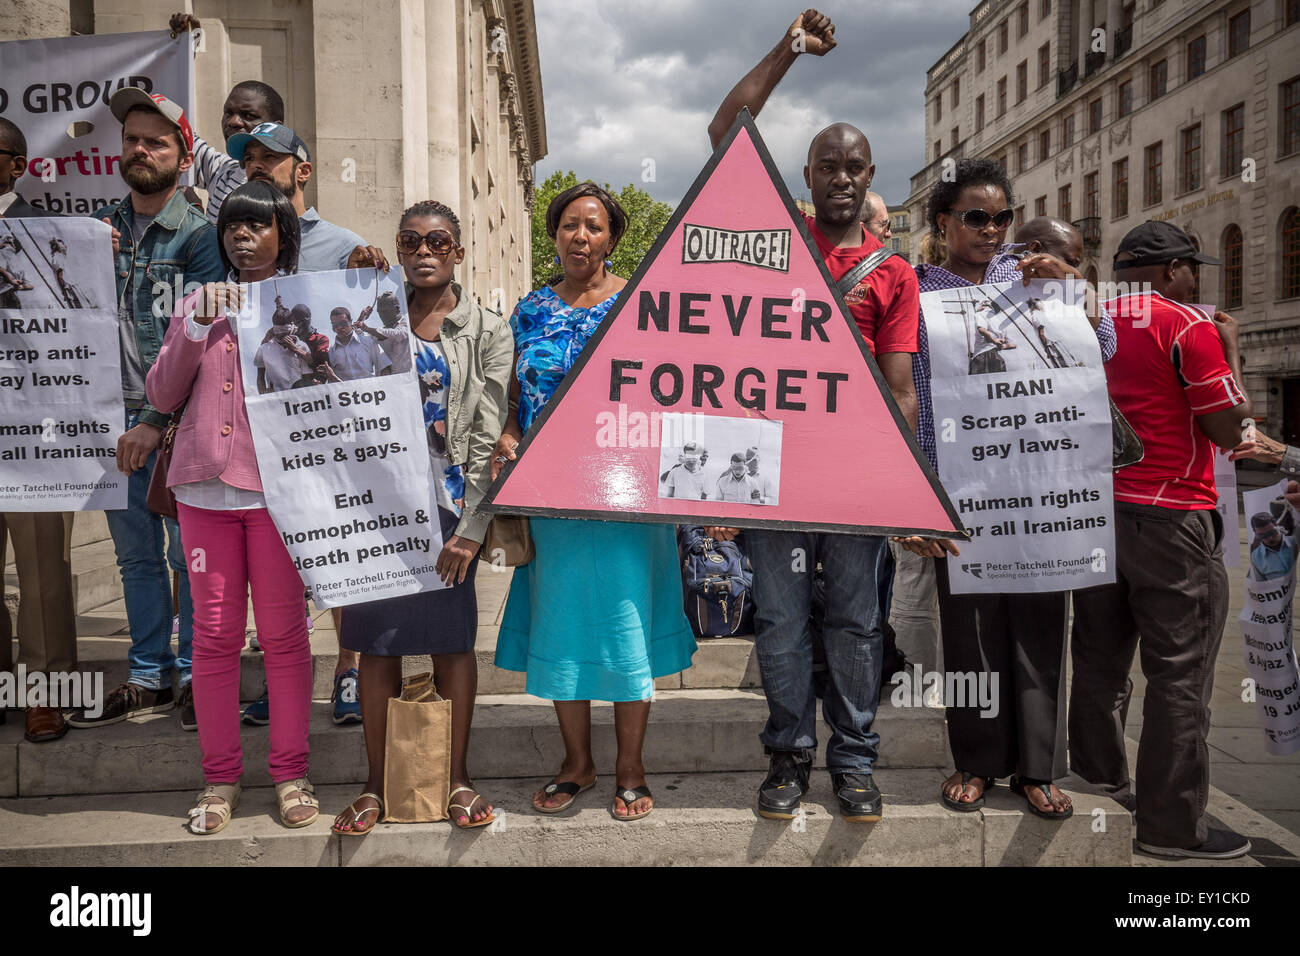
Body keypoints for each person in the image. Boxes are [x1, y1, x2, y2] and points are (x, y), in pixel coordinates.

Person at [705, 7, 921, 822]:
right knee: (784, 627)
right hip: (772, 476)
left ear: (870, 178)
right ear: (804, 174)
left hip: (858, 478)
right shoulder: (771, 240)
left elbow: (900, 387)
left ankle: (855, 760)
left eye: (854, 166)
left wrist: (903, 486)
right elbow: (728, 127)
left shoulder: (892, 273)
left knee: (857, 625)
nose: (841, 176)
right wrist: (791, 48)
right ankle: (789, 755)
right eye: (826, 163)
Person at [895, 159, 1116, 821]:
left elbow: (1099, 350)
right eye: (975, 217)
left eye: (1001, 218)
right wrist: (918, 489)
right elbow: (905, 388)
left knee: (1043, 624)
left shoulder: (1034, 277)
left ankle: (1039, 771)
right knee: (971, 634)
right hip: (960, 488)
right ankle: (976, 763)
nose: (991, 230)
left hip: (1041, 487)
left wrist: (1079, 291)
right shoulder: (916, 288)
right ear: (943, 222)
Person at [491, 182, 697, 822]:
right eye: (569, 226)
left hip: (626, 499)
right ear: (552, 235)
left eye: (594, 227)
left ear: (613, 237)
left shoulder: (645, 304)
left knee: (625, 625)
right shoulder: (528, 310)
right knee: (564, 624)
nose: (580, 237)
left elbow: (677, 389)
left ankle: (631, 766)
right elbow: (514, 400)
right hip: (554, 502)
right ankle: (577, 763)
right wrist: (507, 435)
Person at [1070, 219, 1253, 859]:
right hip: (1172, 518)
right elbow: (1231, 432)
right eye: (1192, 267)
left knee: (1097, 660)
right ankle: (1172, 828)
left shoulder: (1091, 321)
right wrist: (1230, 353)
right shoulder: (1188, 325)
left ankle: (1096, 784)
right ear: (1174, 269)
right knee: (1179, 677)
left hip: (1097, 514)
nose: (1195, 278)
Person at [332, 199, 512, 834]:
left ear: (458, 251)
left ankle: (456, 777)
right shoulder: (370, 309)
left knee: (450, 645)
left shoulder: (488, 329)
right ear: (400, 249)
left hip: (446, 510)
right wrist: (349, 279)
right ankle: (375, 785)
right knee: (376, 647)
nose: (424, 251)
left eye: (438, 241)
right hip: (377, 509)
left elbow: (490, 435)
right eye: (410, 241)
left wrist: (470, 530)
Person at [146, 179, 317, 834]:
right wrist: (193, 324)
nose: (242, 235)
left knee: (283, 635)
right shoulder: (197, 302)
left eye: (258, 224)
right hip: (203, 492)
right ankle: (219, 779)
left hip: (278, 496)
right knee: (213, 636)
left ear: (283, 235)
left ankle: (290, 771)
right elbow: (162, 392)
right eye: (233, 226)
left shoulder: (304, 301)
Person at [68, 89, 223, 732]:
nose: (140, 149)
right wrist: (81, 259)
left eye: (157, 140)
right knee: (134, 557)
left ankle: (193, 675)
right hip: (108, 422)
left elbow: (207, 340)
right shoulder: (93, 232)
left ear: (183, 157)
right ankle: (147, 673)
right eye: (132, 138)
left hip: (178, 426)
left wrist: (154, 422)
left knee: (193, 554)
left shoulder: (203, 237)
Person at [226, 119, 384, 720]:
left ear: (303, 171)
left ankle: (348, 671)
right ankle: (280, 676)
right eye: (249, 160)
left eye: (271, 158)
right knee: (278, 566)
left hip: (331, 433)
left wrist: (369, 263)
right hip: (262, 435)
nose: (258, 166)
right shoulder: (234, 239)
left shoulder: (340, 243)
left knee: (339, 552)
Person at [0, 117, 78, 743]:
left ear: (16, 166)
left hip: (34, 427)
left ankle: (45, 690)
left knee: (41, 567)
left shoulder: (50, 236)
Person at [168, 13, 286, 224]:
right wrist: (184, 52)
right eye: (228, 113)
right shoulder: (224, 170)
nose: (233, 122)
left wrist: (197, 220)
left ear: (276, 128)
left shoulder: (286, 184)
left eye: (249, 115)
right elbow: (176, 128)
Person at [354, 291, 413, 374]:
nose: (382, 315)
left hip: (406, 379)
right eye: (379, 312)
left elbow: (395, 334)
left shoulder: (408, 322)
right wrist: (361, 318)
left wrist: (366, 328)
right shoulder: (378, 332)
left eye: (385, 311)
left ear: (397, 308)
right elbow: (359, 339)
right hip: (385, 382)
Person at [328, 306, 391, 380]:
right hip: (347, 391)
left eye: (343, 323)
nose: (339, 327)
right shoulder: (332, 351)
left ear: (350, 321)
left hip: (371, 389)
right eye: (335, 325)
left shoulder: (368, 341)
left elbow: (384, 366)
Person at [1248, 513, 1296, 581]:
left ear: (1276, 525)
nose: (1270, 538)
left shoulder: (1295, 542)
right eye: (1263, 536)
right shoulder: (1256, 557)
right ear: (1255, 533)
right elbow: (1260, 586)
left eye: (1272, 533)